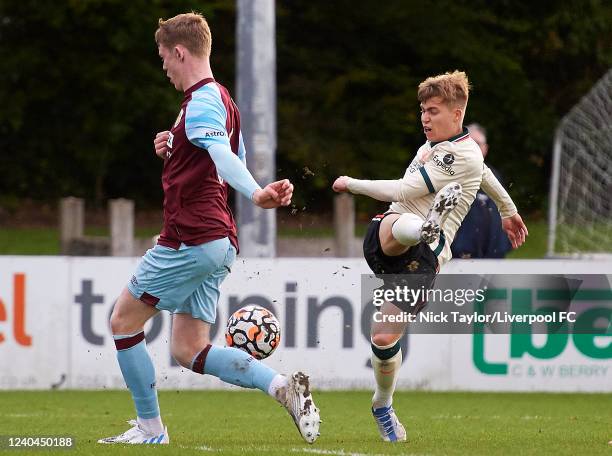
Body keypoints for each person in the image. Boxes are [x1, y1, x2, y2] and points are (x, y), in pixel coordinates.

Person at [98, 13, 320, 445]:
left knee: (123, 322)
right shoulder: (223, 102)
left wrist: (257, 194)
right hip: (218, 241)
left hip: (190, 236)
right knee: (188, 349)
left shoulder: (200, 101)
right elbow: (215, 162)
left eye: (165, 59)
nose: (164, 69)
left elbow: (220, 156)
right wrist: (174, 147)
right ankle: (281, 388)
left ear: (180, 52)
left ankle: (150, 429)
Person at [332, 71, 527, 442]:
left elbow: (410, 184)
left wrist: (351, 184)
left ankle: (382, 404)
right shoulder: (444, 147)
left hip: (426, 259)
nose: (424, 117)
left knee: (385, 337)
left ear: (457, 115)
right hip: (392, 230)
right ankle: (422, 227)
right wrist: (508, 209)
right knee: (400, 224)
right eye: (422, 109)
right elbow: (483, 175)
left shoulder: (459, 156)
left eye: (433, 110)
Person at [451, 123, 512, 258]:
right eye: (470, 143)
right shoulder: (449, 174)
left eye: (478, 144)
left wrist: (504, 244)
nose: (474, 148)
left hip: (493, 255)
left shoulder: (494, 176)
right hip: (459, 257)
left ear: (485, 148)